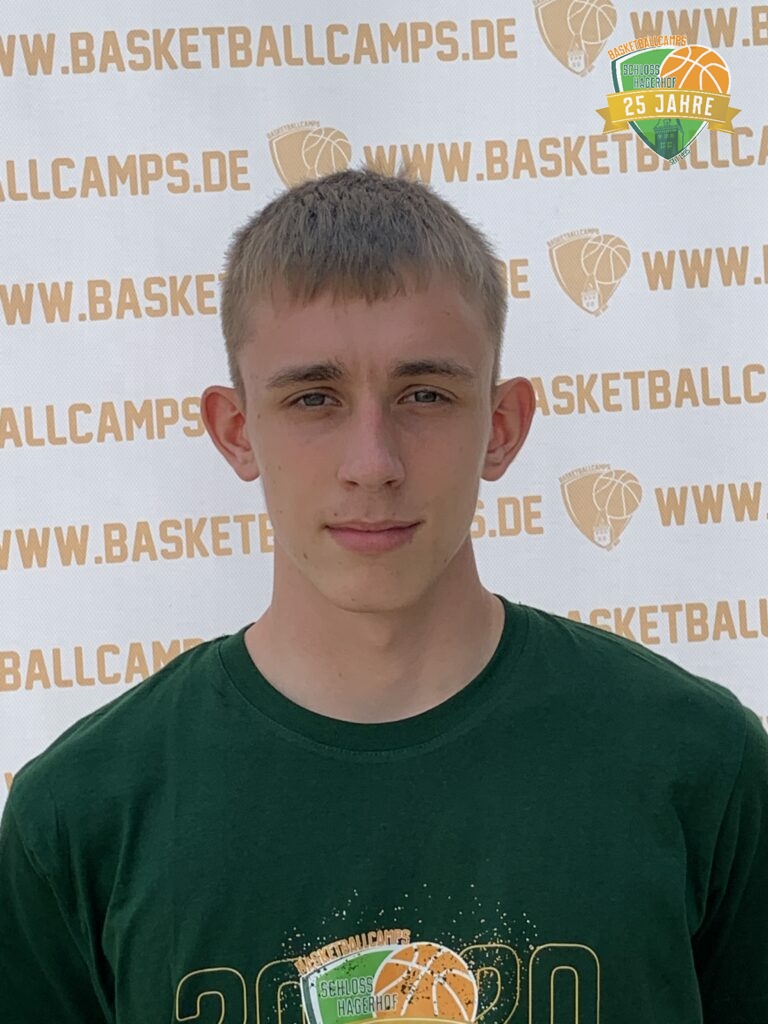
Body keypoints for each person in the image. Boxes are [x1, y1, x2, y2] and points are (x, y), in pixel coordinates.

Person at [1, 169, 766, 1023]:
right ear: (236, 431)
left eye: (425, 395)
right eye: (314, 398)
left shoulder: (699, 766)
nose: (373, 463)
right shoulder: (81, 819)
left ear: (502, 427)